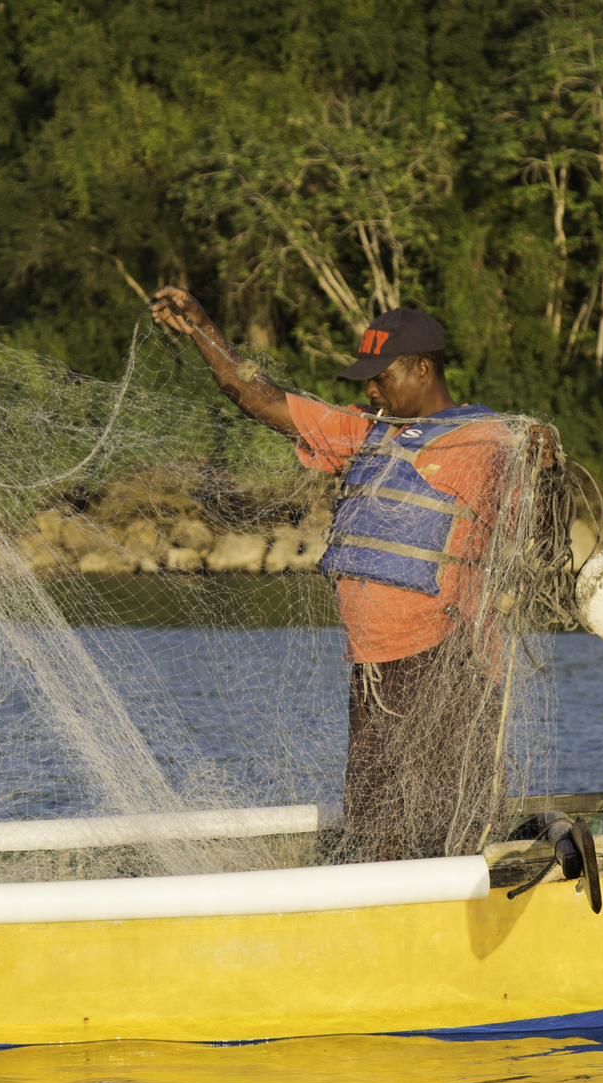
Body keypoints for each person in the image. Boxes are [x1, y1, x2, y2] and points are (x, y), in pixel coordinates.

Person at [149, 289, 520, 862]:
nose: (370, 390)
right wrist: (202, 328)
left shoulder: (490, 442)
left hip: (448, 664)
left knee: (448, 830)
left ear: (424, 368)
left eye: (381, 376)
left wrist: (543, 467)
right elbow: (257, 398)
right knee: (374, 830)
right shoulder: (367, 433)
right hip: (372, 671)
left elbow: (539, 529)